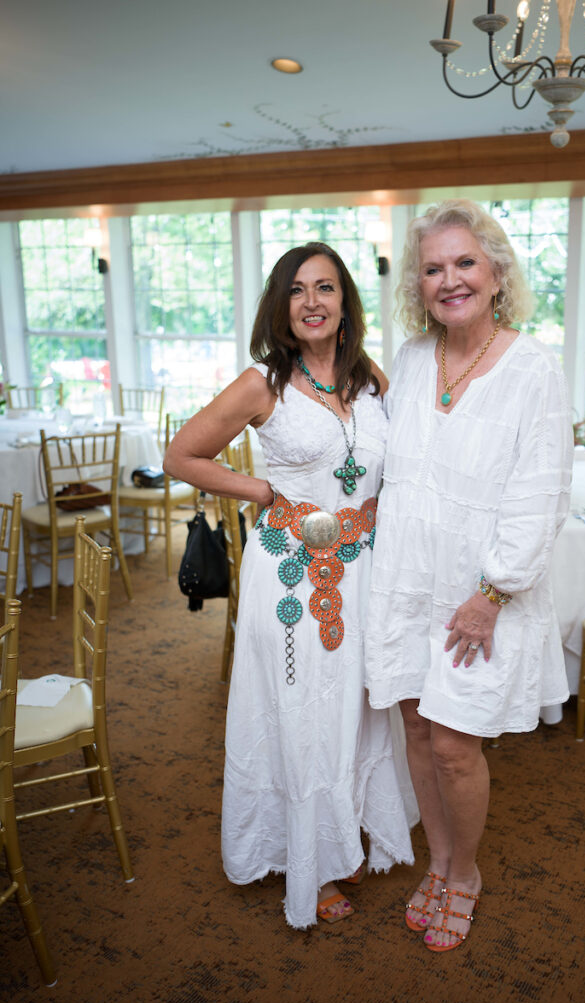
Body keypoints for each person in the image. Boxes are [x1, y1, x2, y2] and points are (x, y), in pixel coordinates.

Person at [164, 242, 414, 929]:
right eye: (298, 290)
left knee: (358, 706)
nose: (312, 302)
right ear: (282, 305)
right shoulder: (263, 383)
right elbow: (181, 454)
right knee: (304, 709)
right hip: (291, 576)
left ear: (344, 303)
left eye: (326, 288)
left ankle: (348, 830)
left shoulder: (371, 381)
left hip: (364, 569)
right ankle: (314, 862)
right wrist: (265, 489)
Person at [365, 199, 572, 952]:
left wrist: (493, 593)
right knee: (417, 729)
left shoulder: (532, 369)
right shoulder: (414, 360)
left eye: (464, 263)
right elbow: (387, 466)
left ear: (495, 273)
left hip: (477, 594)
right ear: (417, 285)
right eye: (432, 268)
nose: (449, 279)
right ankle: (439, 860)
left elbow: (541, 493)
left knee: (456, 745)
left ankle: (468, 874)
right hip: (406, 579)